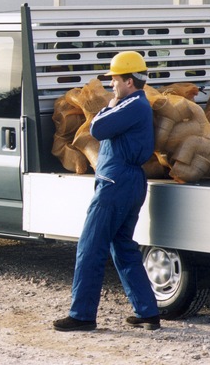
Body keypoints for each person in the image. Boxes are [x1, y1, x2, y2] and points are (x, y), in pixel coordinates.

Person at [53, 50, 161, 332]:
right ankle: (147, 311)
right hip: (127, 182)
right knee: (122, 247)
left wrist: (109, 104)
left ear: (129, 81)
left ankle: (82, 315)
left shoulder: (133, 105)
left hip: (116, 184)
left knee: (90, 247)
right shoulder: (137, 104)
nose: (112, 85)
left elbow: (97, 129)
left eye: (114, 79)